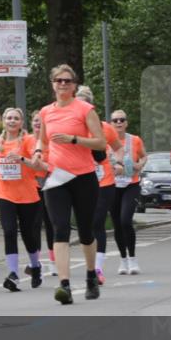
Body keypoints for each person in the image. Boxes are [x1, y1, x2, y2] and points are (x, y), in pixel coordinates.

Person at [31, 65, 107, 305]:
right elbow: (42, 141)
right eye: (58, 80)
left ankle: (90, 276)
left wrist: (74, 139)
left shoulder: (85, 109)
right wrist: (37, 152)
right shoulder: (46, 112)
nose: (62, 84)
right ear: (52, 84)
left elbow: (100, 143)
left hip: (83, 177)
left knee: (85, 231)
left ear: (74, 85)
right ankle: (64, 285)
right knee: (59, 228)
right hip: (56, 178)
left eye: (67, 81)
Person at [0, 108, 47, 291]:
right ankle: (13, 274)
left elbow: (36, 164)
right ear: (4, 121)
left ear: (21, 123)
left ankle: (35, 266)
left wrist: (21, 159)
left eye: (16, 118)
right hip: (4, 192)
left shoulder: (29, 140)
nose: (12, 121)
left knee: (29, 235)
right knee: (9, 231)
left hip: (27, 194)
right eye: (8, 118)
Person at [75, 86, 122, 284]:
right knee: (85, 226)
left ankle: (98, 268)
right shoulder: (70, 129)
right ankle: (91, 265)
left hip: (104, 181)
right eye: (79, 101)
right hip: (80, 181)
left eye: (86, 102)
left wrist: (119, 162)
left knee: (97, 222)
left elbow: (119, 149)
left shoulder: (105, 128)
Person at [109, 109, 147, 275]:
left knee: (125, 221)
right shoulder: (106, 141)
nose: (118, 123)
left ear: (126, 123)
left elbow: (144, 156)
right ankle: (123, 260)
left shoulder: (135, 140)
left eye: (121, 120)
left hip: (131, 184)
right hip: (112, 185)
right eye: (115, 120)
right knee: (117, 224)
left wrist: (140, 164)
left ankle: (133, 259)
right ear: (111, 123)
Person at [30, 110, 57, 276]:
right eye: (35, 121)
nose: (38, 124)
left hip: (50, 184)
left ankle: (54, 261)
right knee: (34, 225)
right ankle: (36, 262)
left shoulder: (50, 142)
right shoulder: (26, 140)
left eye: (41, 121)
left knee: (50, 224)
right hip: (32, 186)